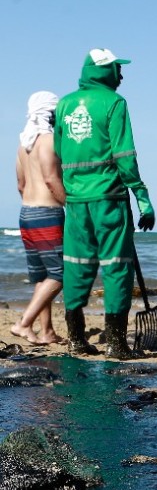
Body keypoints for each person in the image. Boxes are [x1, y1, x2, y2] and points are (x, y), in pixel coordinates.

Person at [54, 49, 155, 359]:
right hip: (109, 199)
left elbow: (59, 151)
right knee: (116, 267)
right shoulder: (114, 103)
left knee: (76, 265)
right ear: (104, 73)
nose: (120, 76)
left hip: (76, 202)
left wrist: (70, 191)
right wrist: (142, 197)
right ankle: (116, 344)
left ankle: (75, 338)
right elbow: (124, 155)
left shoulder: (65, 104)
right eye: (116, 70)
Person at [11, 91, 66, 345]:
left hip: (26, 213)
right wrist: (72, 205)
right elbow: (51, 179)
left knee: (42, 276)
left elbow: (21, 185)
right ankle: (23, 324)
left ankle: (46, 332)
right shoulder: (48, 140)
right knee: (59, 274)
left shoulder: (23, 145)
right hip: (47, 214)